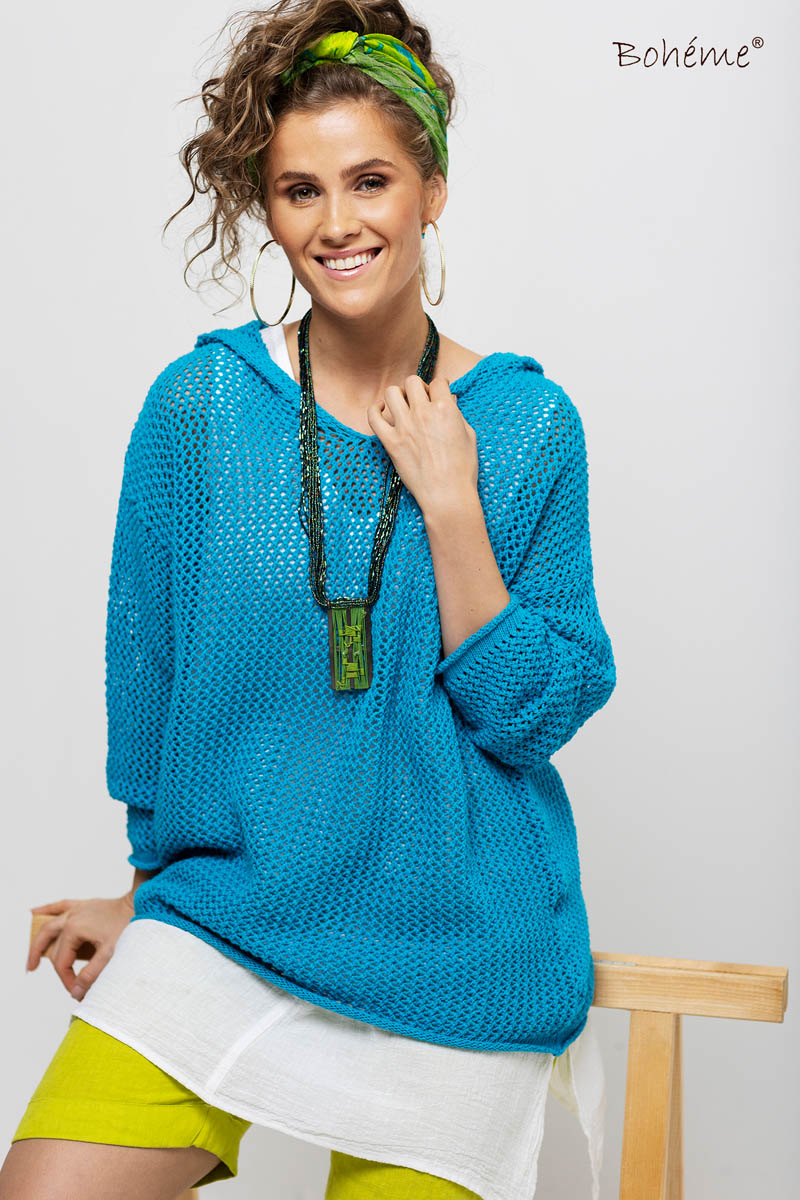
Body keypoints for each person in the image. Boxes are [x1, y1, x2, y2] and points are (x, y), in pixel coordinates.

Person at [2, 1, 617, 1197]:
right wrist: (145, 893)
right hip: (229, 925)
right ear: (269, 209)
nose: (337, 223)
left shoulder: (527, 425)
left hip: (457, 963)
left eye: (370, 181)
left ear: (431, 191)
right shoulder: (198, 410)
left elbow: (532, 713)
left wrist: (451, 505)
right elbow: (152, 681)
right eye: (299, 191)